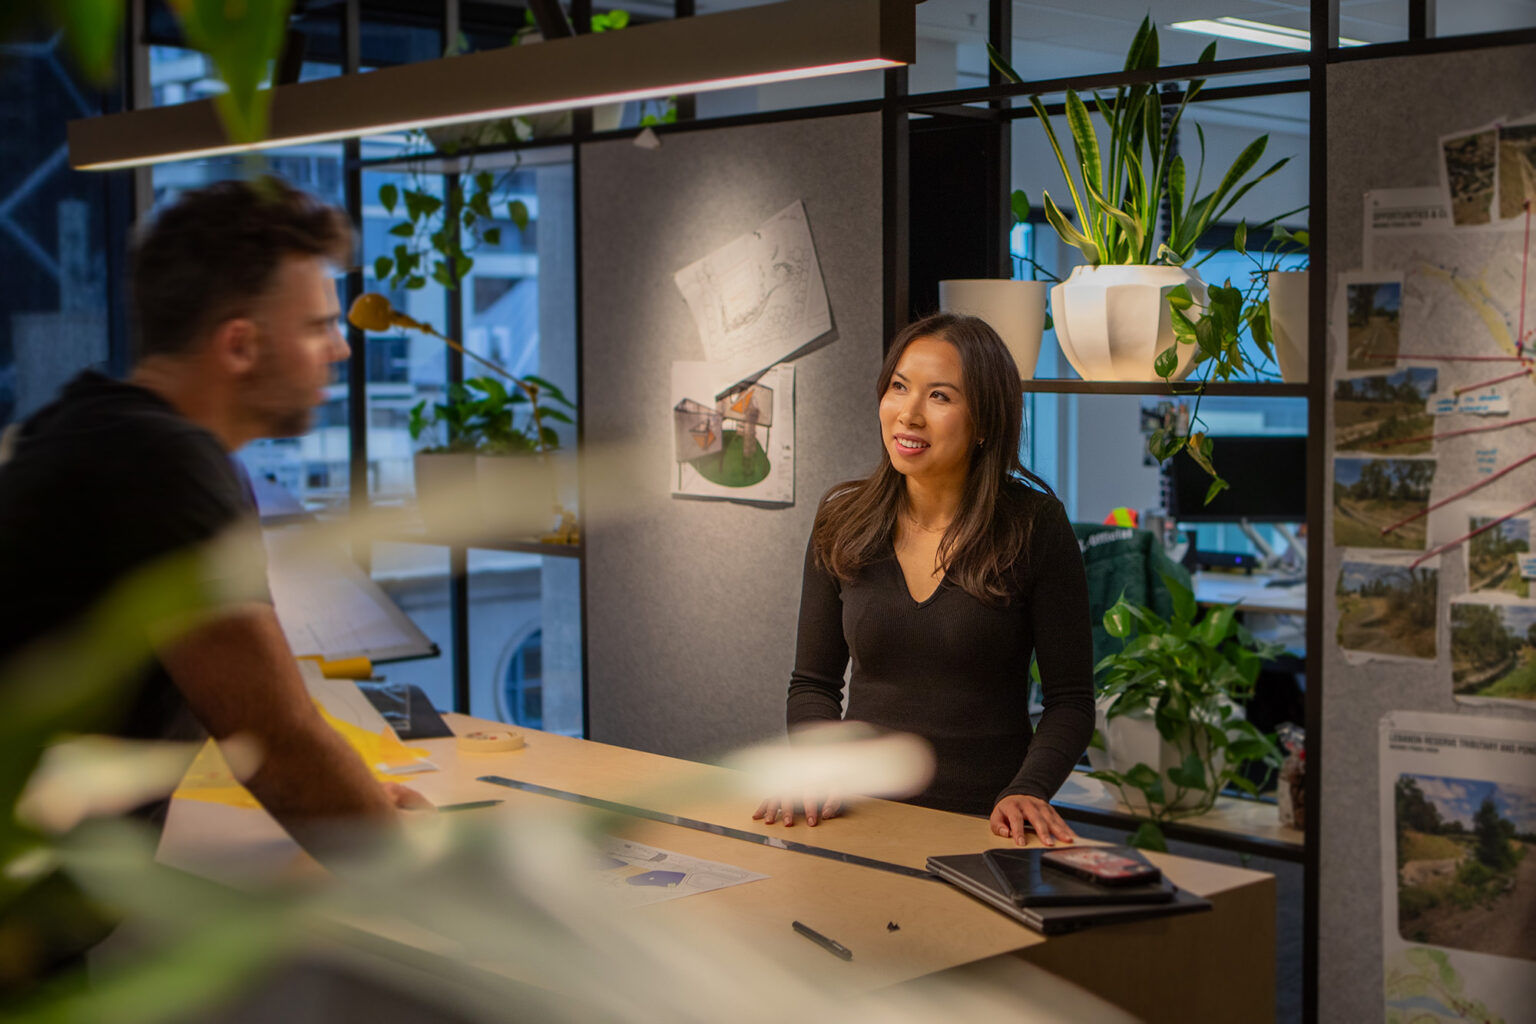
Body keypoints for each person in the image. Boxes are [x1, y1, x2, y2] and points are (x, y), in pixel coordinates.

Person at [0, 177, 427, 853]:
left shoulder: (85, 422)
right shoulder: (165, 464)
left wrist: (349, 789)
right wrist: (455, 896)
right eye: (317, 326)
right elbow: (273, 741)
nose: (340, 349)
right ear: (239, 345)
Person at [754, 312, 1094, 845]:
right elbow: (813, 685)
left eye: (940, 396)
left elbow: (1070, 700)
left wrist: (1028, 789)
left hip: (987, 824)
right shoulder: (841, 520)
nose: (908, 414)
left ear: (984, 420)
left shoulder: (1035, 525)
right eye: (898, 387)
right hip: (855, 817)